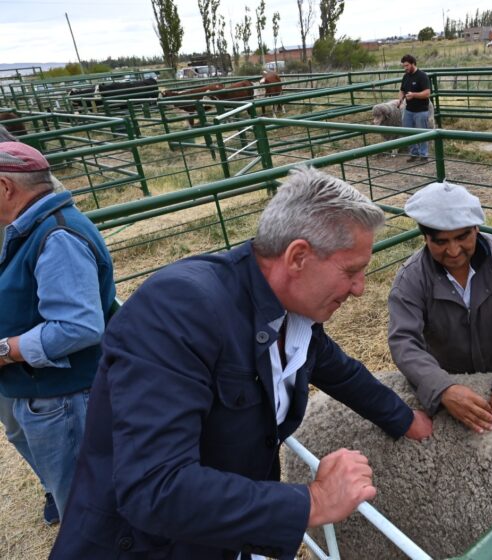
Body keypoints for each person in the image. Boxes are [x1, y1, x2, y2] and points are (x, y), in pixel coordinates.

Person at [51, 167, 432, 560]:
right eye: (351, 271)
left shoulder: (292, 315)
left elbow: (341, 371)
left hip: (223, 538)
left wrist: (405, 419)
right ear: (298, 256)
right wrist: (313, 502)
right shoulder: (180, 309)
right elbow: (154, 488)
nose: (359, 289)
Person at [388, 181, 492, 449]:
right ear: (425, 237)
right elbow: (404, 341)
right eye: (440, 241)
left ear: (477, 228)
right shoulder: (411, 279)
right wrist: (442, 388)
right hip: (450, 379)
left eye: (463, 237)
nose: (453, 251)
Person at [0, 142, 115, 522]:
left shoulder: (55, 236)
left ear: (5, 187)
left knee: (85, 508)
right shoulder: (33, 229)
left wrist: (6, 350)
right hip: (53, 396)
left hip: (65, 399)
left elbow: (78, 326)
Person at [397, 54, 431, 163]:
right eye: (404, 66)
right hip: (408, 109)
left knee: (422, 133)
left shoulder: (422, 76)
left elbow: (427, 93)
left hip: (421, 110)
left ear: (413, 64)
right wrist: (400, 99)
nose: (405, 68)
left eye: (407, 65)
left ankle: (424, 155)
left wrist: (414, 95)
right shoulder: (406, 76)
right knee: (408, 132)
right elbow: (402, 90)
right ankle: (414, 153)